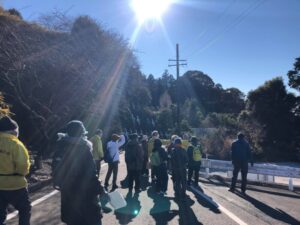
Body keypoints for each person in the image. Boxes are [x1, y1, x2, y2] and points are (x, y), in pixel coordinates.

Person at [52, 120, 108, 225]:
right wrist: (101, 190)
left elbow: (56, 170)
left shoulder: (60, 147)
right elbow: (91, 175)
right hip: (86, 196)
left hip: (68, 195)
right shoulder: (84, 148)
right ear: (82, 133)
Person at [0, 116, 31, 225]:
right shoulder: (16, 144)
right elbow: (23, 166)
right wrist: (22, 173)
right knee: (24, 210)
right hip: (16, 185)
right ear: (14, 131)